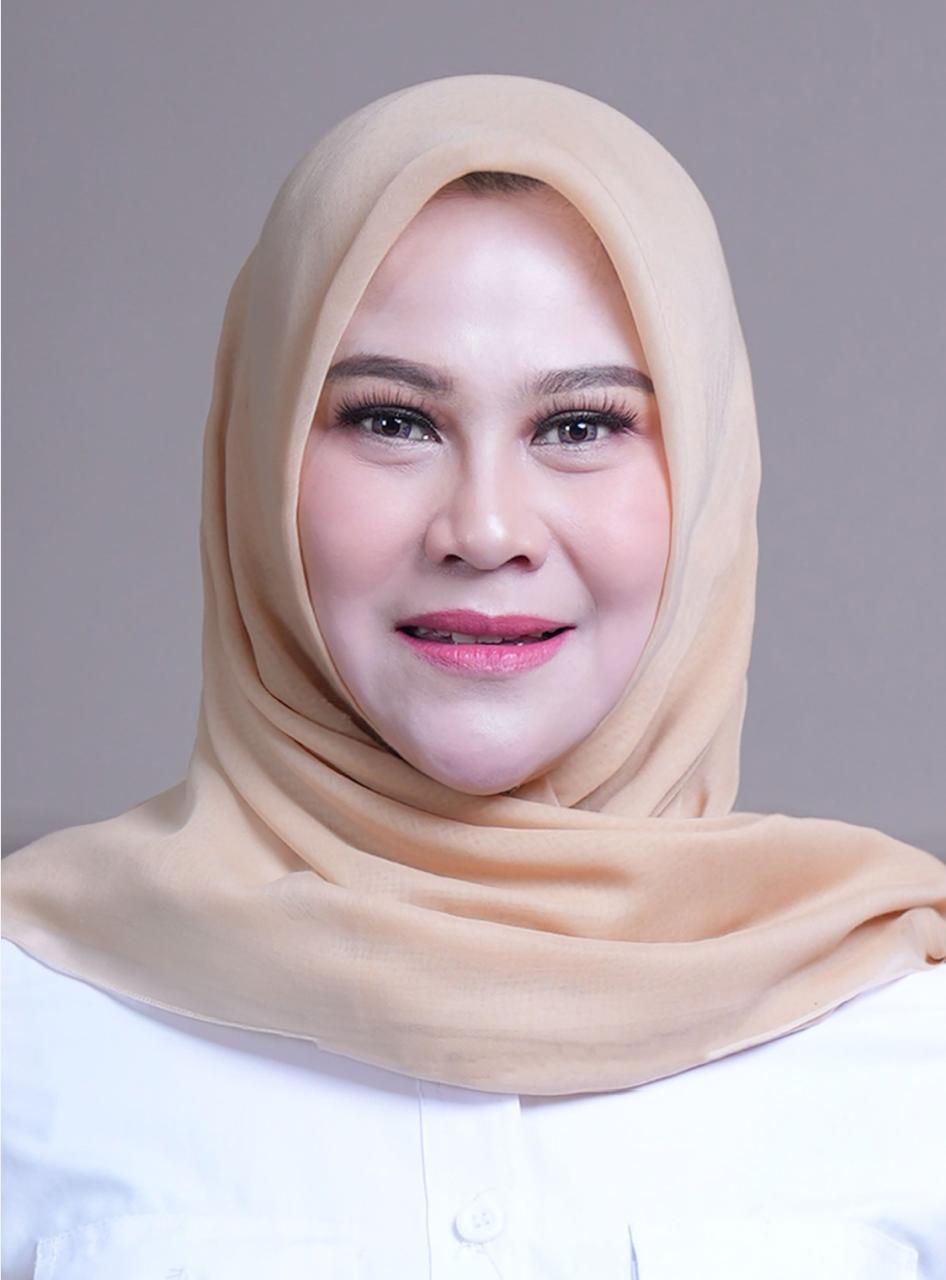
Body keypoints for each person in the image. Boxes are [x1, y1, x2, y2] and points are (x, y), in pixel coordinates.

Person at [3, 73, 945, 1279]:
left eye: (579, 425)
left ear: (710, 480)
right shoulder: (31, 1028)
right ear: (258, 461)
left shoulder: (906, 1044)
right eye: (392, 419)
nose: (485, 527)